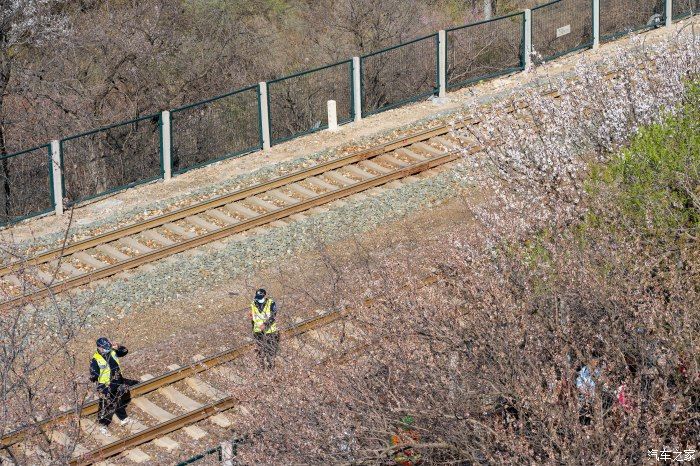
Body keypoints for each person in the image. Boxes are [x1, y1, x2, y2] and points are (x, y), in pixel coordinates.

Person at [89, 337, 136, 436]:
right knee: (105, 405)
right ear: (99, 348)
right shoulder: (95, 359)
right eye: (105, 347)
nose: (107, 349)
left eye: (108, 347)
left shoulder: (113, 351)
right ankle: (102, 425)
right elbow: (93, 375)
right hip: (105, 386)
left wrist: (118, 346)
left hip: (117, 382)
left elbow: (124, 352)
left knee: (118, 400)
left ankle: (123, 419)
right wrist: (94, 377)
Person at [250, 289, 279, 370]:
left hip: (270, 331)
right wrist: (253, 329)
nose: (259, 299)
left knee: (270, 350)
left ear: (265, 296)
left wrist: (265, 325)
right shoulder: (253, 303)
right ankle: (262, 368)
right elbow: (253, 318)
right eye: (258, 297)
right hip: (257, 331)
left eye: (261, 297)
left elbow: (273, 316)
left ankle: (271, 367)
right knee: (260, 351)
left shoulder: (271, 303)